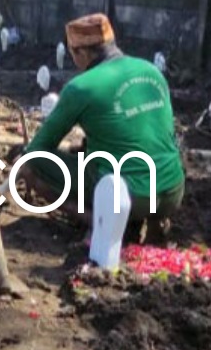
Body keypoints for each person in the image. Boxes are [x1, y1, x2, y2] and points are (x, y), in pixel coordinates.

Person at [16, 13, 185, 240]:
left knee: (29, 166)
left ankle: (102, 223)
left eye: (72, 53)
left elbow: (37, 151)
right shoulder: (151, 71)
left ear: (82, 52)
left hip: (129, 198)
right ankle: (155, 221)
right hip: (172, 191)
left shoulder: (81, 87)